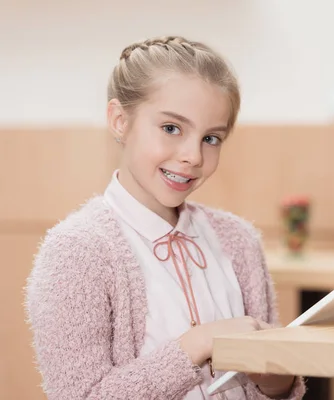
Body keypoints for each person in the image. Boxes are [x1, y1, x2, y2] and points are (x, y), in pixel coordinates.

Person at [25, 35, 305, 400]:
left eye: (212, 138)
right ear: (120, 120)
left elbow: (280, 390)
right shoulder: (76, 252)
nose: (193, 156)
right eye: (172, 128)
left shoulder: (239, 241)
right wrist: (198, 344)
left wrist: (276, 379)